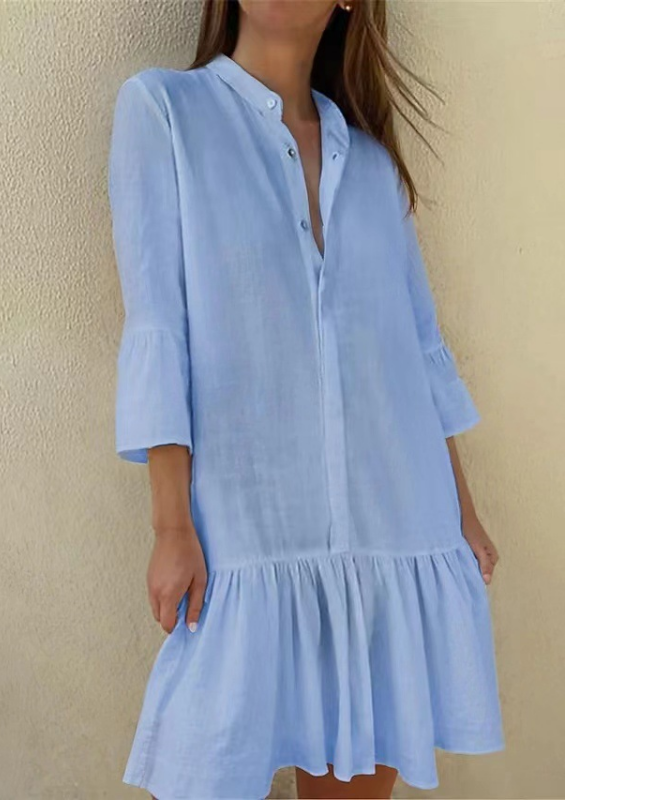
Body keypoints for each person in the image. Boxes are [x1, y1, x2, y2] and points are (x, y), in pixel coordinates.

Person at [107, 1, 504, 798]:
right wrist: (171, 523)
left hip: (396, 530)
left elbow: (414, 346)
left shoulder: (373, 162)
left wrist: (461, 511)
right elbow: (159, 325)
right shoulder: (164, 112)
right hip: (245, 533)